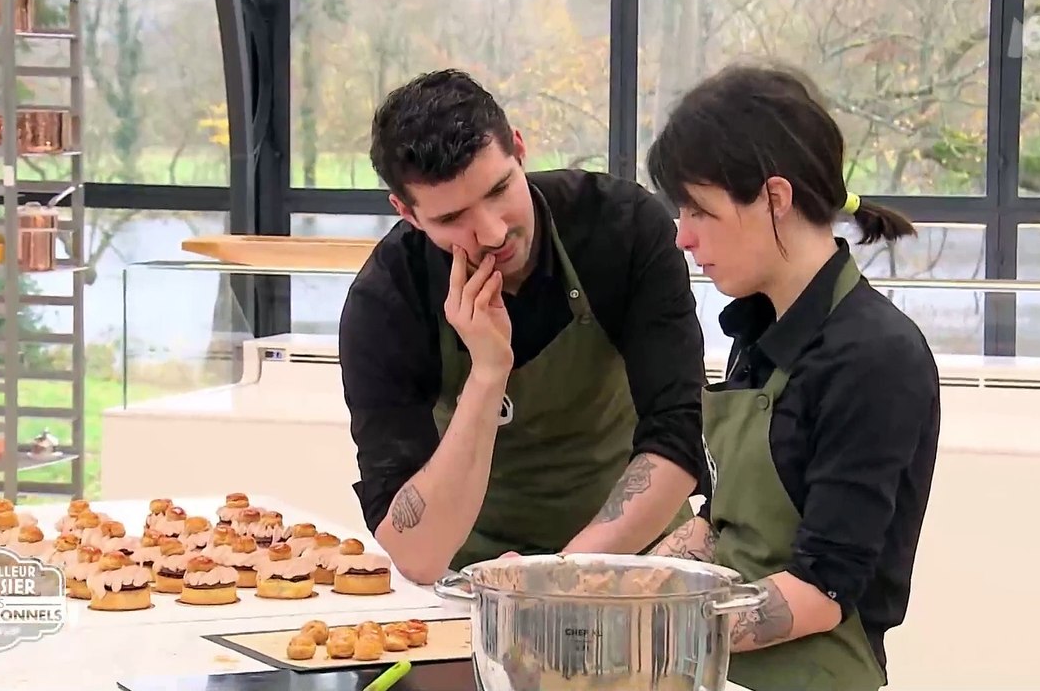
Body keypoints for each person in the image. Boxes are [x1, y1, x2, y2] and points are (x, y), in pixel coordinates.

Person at [338, 69, 710, 584]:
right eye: (452, 220)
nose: (491, 232)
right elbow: (417, 553)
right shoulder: (386, 301)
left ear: (518, 148)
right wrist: (488, 372)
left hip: (634, 564)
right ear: (407, 212)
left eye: (498, 190)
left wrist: (557, 577)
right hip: (479, 579)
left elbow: (680, 436)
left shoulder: (622, 228)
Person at [645, 63, 940, 691]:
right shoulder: (756, 330)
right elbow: (721, 525)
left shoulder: (873, 357)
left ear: (776, 198)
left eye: (699, 210)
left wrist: (651, 624)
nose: (682, 238)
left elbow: (822, 586)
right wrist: (583, 583)